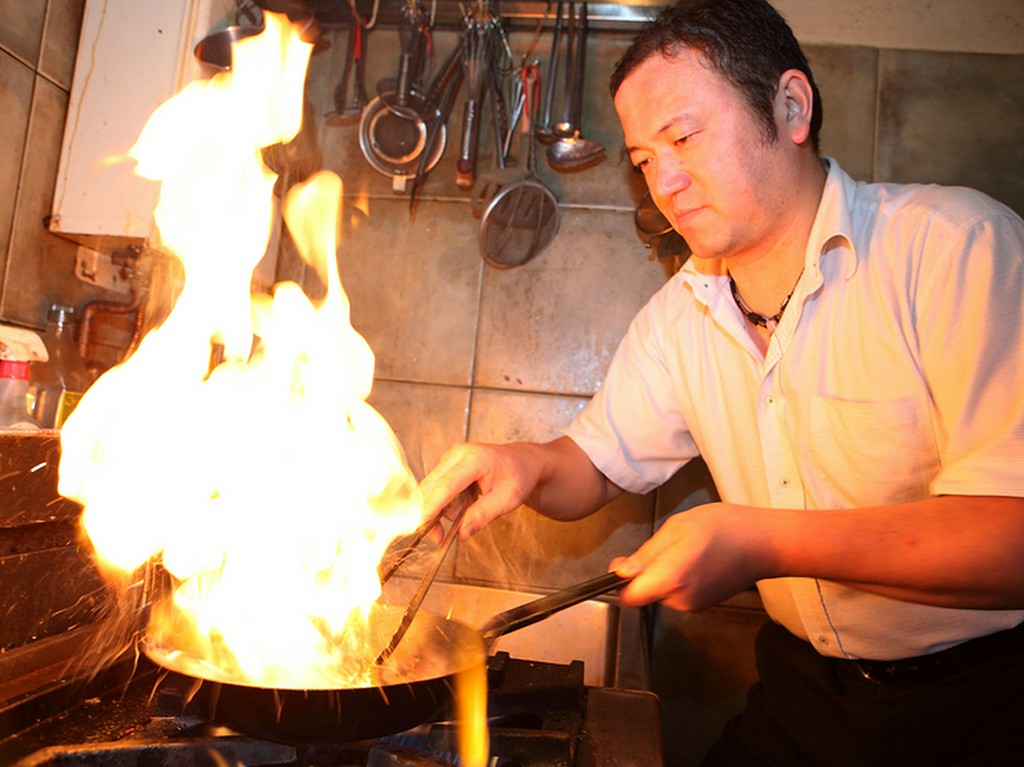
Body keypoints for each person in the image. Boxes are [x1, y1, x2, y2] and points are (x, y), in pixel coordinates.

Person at [419, 0, 1024, 763]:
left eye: (683, 137)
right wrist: (525, 463)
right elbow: (591, 468)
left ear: (791, 106)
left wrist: (758, 540)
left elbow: (1012, 537)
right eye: (644, 159)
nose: (665, 181)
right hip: (804, 695)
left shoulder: (956, 249)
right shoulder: (682, 314)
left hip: (985, 700)